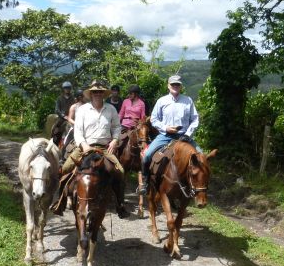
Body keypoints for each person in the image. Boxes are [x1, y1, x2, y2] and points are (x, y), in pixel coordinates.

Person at [53, 79, 128, 218]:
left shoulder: (111, 109)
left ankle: (120, 205)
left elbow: (117, 127)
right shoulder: (82, 109)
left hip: (104, 148)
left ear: (103, 94)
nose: (97, 94)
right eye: (94, 92)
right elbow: (78, 130)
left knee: (120, 172)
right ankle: (60, 202)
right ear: (91, 94)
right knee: (65, 169)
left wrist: (115, 140)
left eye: (100, 92)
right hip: (84, 146)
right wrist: (84, 145)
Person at [139, 74, 201, 193]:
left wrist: (188, 134)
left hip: (184, 136)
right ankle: (145, 182)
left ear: (181, 86)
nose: (175, 86)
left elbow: (195, 119)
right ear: (168, 86)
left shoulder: (188, 100)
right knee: (146, 156)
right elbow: (154, 119)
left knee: (201, 157)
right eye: (173, 84)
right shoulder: (162, 101)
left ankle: (199, 186)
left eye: (177, 84)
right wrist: (166, 128)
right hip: (165, 136)